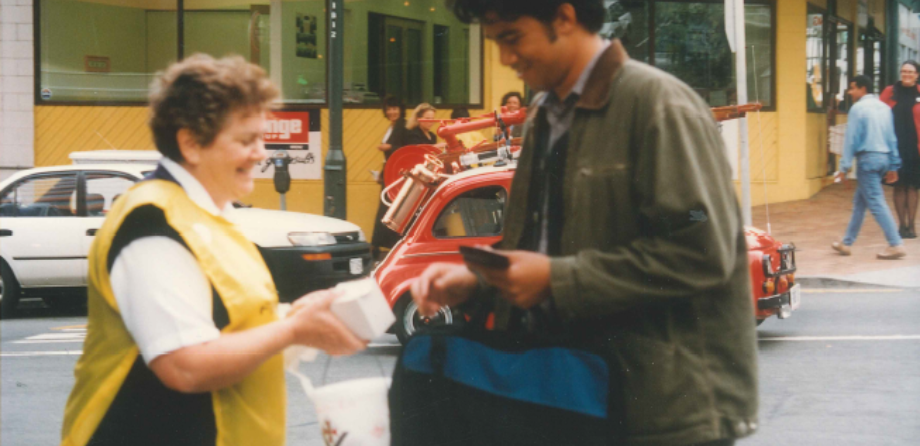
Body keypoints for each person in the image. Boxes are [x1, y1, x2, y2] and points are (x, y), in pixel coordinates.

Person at [411, 1, 758, 445]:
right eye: (496, 42)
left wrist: (558, 280)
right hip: (580, 398)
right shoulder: (545, 117)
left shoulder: (659, 105)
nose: (505, 58)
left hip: (663, 414)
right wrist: (478, 281)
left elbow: (703, 250)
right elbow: (540, 247)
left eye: (512, 38)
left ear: (565, 17)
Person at [60, 55, 366, 446]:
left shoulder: (211, 216)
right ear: (190, 143)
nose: (261, 153)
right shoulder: (153, 222)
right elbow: (185, 365)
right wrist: (292, 329)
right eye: (245, 140)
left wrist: (297, 316)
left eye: (261, 137)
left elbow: (229, 322)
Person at [832, 76, 906, 259]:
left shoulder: (857, 109)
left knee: (876, 202)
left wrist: (844, 167)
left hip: (867, 160)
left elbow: (851, 140)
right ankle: (846, 243)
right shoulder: (884, 107)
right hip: (883, 159)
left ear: (862, 88)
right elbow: (892, 138)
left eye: (852, 88)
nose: (850, 92)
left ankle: (895, 243)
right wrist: (894, 165)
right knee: (860, 202)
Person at [879, 61, 920, 239]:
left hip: (915, 146)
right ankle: (901, 225)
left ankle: (911, 226)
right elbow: (879, 115)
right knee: (898, 185)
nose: (906, 74)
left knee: (912, 186)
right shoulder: (890, 92)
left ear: (917, 74)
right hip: (894, 146)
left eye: (910, 72)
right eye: (903, 71)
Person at [371, 96, 406, 259]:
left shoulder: (402, 126)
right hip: (388, 170)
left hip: (395, 172)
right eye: (389, 109)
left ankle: (382, 244)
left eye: (395, 108)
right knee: (385, 206)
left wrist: (389, 147)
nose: (392, 112)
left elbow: (406, 148)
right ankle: (381, 244)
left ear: (400, 109)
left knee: (388, 207)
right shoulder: (392, 126)